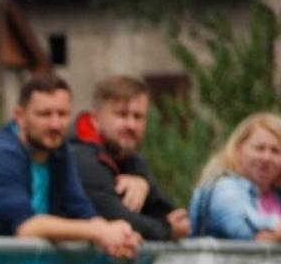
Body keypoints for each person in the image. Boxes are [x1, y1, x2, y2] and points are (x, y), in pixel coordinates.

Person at [0, 73, 141, 259]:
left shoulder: (59, 152)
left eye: (62, 114)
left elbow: (81, 211)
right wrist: (100, 232)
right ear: (19, 116)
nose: (55, 124)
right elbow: (27, 228)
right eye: (44, 114)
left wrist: (118, 236)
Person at [67, 74, 190, 242]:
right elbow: (113, 216)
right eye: (121, 115)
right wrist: (168, 230)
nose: (131, 125)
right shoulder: (79, 155)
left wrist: (145, 185)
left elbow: (167, 212)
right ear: (95, 119)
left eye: (138, 117)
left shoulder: (131, 157)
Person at [188, 112, 281, 242]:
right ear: (238, 149)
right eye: (259, 148)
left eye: (275, 151)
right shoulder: (223, 188)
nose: (266, 158)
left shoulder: (276, 195)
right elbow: (246, 231)